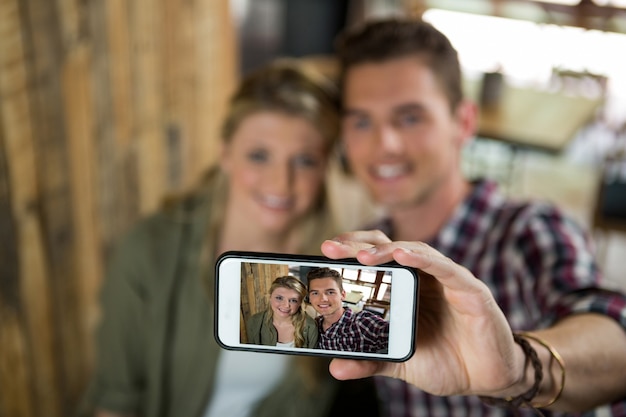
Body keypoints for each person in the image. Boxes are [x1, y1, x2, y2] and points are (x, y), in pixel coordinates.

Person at [318, 17, 626, 416]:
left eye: (410, 118)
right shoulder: (369, 260)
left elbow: (617, 342)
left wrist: (518, 368)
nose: (385, 144)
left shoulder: (529, 229)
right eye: (362, 121)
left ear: (463, 122)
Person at [79, 58, 380, 417]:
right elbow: (115, 402)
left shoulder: (334, 266)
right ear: (226, 154)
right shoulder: (150, 249)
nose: (280, 182)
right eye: (259, 155)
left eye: (304, 161)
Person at [307, 267, 389, 353]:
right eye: (315, 293)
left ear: (342, 295)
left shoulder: (363, 324)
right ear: (309, 298)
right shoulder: (313, 325)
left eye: (330, 292)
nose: (323, 299)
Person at [246, 275, 318, 348]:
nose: (286, 305)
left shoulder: (311, 327)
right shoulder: (254, 322)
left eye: (293, 300)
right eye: (279, 298)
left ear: (300, 303)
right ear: (270, 297)